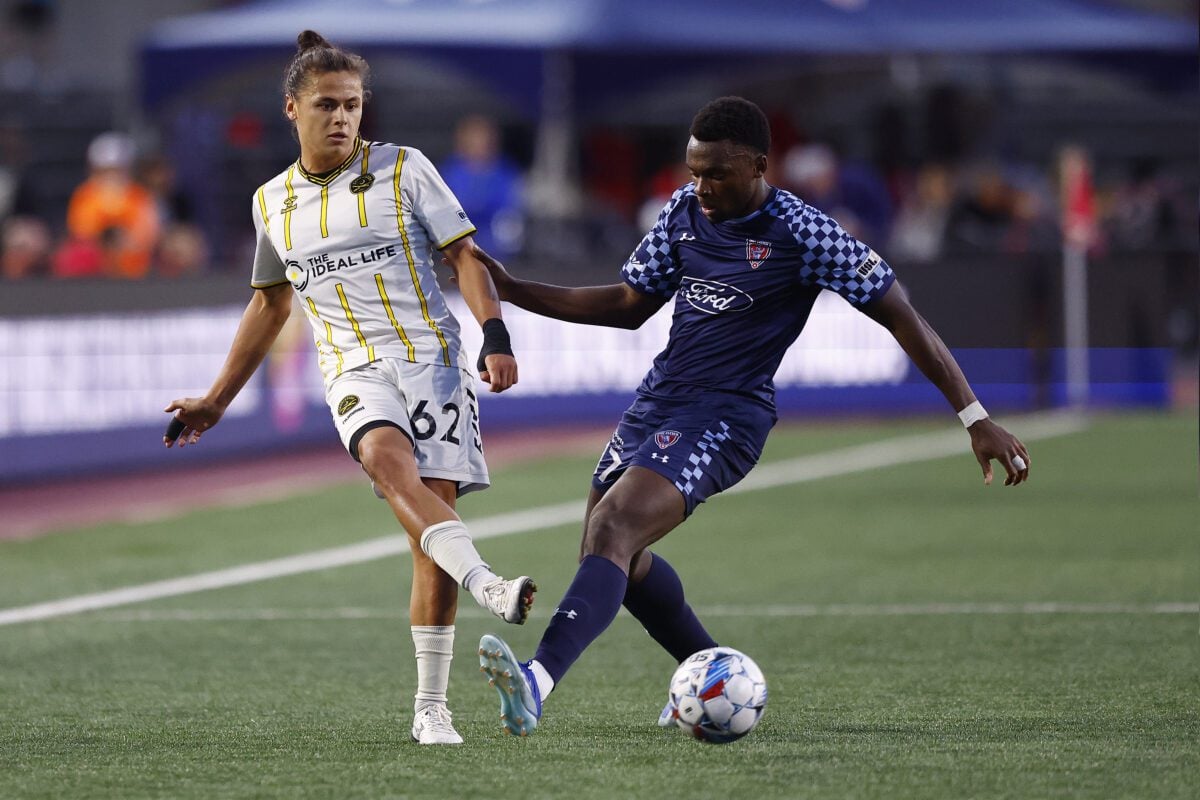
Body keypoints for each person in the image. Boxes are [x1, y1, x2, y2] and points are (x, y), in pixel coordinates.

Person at [474, 96, 1030, 737]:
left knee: (615, 529)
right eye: (693, 171)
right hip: (657, 401)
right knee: (612, 558)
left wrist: (974, 415)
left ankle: (536, 683)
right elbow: (630, 304)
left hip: (729, 413)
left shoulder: (804, 232)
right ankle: (710, 672)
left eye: (717, 173)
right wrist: (517, 291)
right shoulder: (684, 214)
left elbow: (902, 314)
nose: (701, 187)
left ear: (760, 164)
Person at [162, 31, 536, 746]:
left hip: (431, 359)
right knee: (386, 461)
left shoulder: (405, 170)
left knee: (429, 540)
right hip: (353, 370)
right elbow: (270, 304)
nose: (342, 118)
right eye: (328, 105)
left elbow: (466, 256)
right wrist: (217, 397)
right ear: (292, 108)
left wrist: (494, 332)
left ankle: (431, 705)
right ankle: (489, 583)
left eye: (354, 105)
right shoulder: (270, 202)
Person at [63, 131, 160, 278]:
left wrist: (125, 241)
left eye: (117, 170)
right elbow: (81, 232)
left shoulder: (138, 196)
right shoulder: (84, 195)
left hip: (134, 265)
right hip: (94, 267)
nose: (111, 177)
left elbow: (147, 234)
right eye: (104, 171)